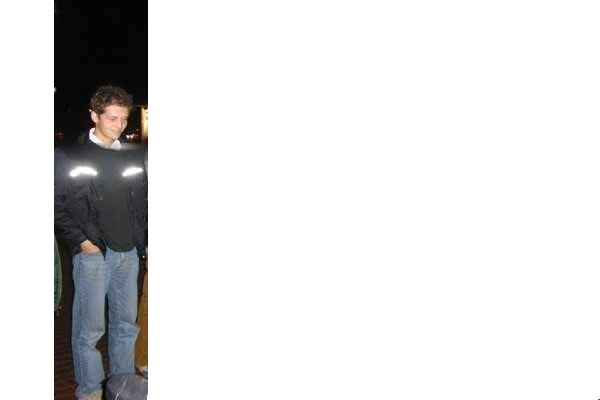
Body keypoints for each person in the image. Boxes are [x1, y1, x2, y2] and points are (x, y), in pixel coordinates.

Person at [54, 86, 148, 400]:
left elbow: (143, 204)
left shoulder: (133, 155)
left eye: (124, 118)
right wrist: (82, 241)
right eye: (112, 118)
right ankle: (91, 389)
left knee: (125, 327)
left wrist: (144, 242)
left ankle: (122, 387)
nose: (119, 125)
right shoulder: (68, 156)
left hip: (128, 254)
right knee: (89, 330)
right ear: (94, 115)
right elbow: (55, 204)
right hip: (93, 255)